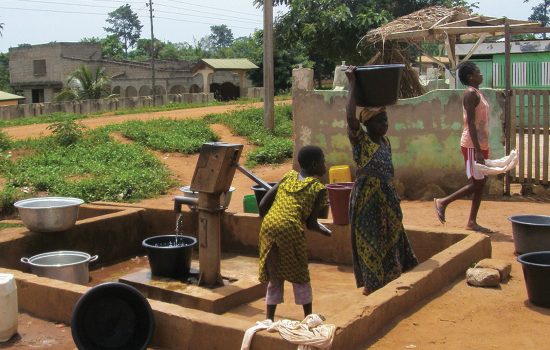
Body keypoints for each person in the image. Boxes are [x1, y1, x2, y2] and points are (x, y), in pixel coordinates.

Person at [345, 66, 418, 296]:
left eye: (385, 120)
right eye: (379, 121)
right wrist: (353, 84)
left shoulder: (385, 142)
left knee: (392, 235)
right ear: (367, 124)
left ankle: (391, 276)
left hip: (386, 197)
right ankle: (371, 284)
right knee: (369, 241)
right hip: (367, 199)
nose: (384, 124)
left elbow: (389, 170)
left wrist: (393, 194)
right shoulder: (361, 142)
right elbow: (349, 117)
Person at [257, 145, 331, 321]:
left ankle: (269, 319)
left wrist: (271, 223)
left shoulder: (288, 176)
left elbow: (262, 205)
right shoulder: (318, 188)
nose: (324, 165)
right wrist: (326, 231)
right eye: (323, 161)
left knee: (275, 277)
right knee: (300, 275)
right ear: (314, 165)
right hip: (290, 228)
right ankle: (308, 319)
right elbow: (311, 224)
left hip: (269, 226)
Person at [434, 61, 492, 233]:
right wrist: (479, 151)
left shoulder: (477, 93)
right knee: (477, 183)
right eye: (478, 72)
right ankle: (443, 202)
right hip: (472, 146)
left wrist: (483, 148)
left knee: (480, 183)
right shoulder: (470, 94)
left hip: (480, 145)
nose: (481, 75)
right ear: (470, 76)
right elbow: (471, 124)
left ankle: (472, 221)